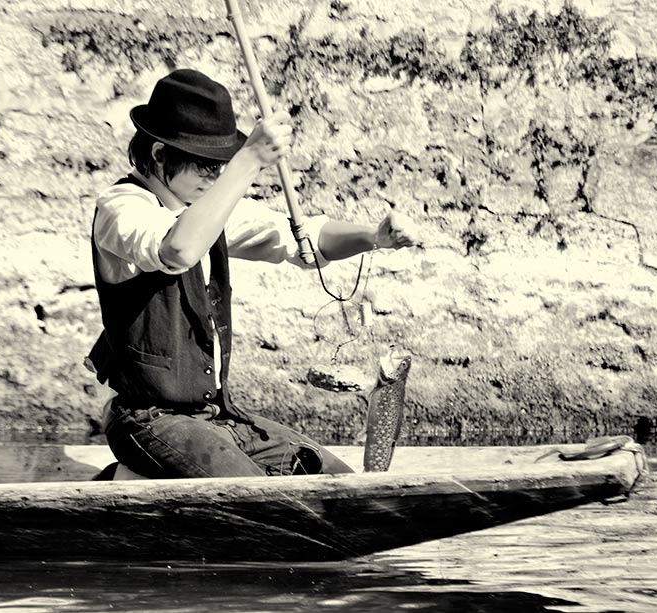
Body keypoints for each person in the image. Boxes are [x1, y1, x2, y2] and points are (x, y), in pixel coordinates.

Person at [88, 68, 415, 479]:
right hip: (146, 419)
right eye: (205, 165)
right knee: (259, 495)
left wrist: (373, 236)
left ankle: (140, 479)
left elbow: (300, 238)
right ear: (157, 154)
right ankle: (126, 479)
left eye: (221, 166)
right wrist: (249, 161)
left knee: (337, 483)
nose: (216, 177)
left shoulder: (209, 206)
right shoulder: (121, 208)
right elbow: (178, 249)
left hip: (217, 416)